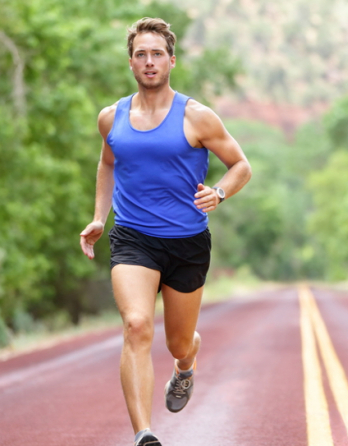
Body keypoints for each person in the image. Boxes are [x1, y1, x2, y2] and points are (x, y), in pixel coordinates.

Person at [79, 17, 251, 446]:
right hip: (133, 238)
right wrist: (100, 217)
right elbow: (107, 163)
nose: (149, 61)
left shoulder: (197, 116)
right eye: (141, 54)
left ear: (171, 61)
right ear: (131, 63)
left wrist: (219, 193)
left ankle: (186, 365)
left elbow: (241, 165)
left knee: (177, 343)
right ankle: (144, 434)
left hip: (187, 243)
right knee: (137, 325)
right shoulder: (111, 118)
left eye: (157, 54)